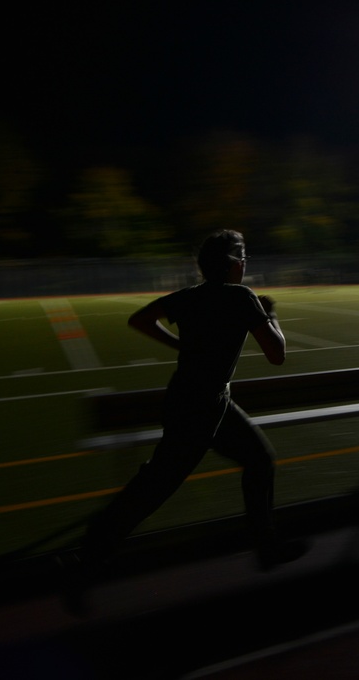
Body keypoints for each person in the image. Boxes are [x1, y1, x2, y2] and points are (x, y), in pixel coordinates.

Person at [62, 230, 306, 610]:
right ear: (232, 263)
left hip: (196, 399)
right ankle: (84, 563)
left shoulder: (190, 297)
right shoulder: (242, 298)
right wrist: (271, 314)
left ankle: (267, 547)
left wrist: (181, 345)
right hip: (204, 405)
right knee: (156, 485)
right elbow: (277, 353)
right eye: (242, 259)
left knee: (257, 460)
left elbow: (140, 319)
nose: (245, 265)